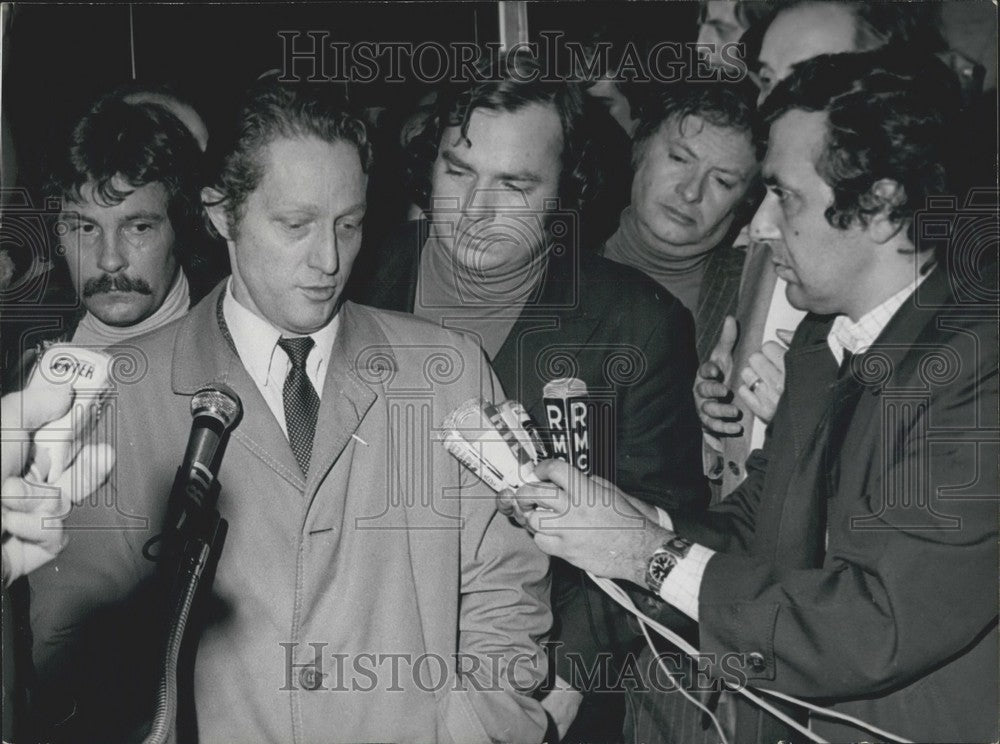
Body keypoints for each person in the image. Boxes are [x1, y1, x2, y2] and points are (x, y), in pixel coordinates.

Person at [28, 78, 551, 744]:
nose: (328, 259)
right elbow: (73, 641)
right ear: (221, 214)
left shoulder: (448, 370)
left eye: (348, 225)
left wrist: (474, 729)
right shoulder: (120, 396)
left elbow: (508, 590)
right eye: (295, 225)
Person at [507, 49, 998, 743]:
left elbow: (874, 626)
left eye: (785, 196)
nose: (759, 225)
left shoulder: (979, 370)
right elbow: (758, 530)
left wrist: (646, 553)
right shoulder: (821, 340)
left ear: (882, 207)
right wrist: (628, 517)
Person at [353, 52, 706, 743]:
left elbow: (669, 528)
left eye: (514, 184)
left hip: (545, 675)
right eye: (458, 172)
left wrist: (570, 675)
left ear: (567, 191)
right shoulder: (356, 276)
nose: (476, 210)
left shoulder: (637, 324)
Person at [695, 0, 947, 498]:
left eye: (807, 78)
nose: (773, 105)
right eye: (768, 80)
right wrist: (718, 411)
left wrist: (812, 429)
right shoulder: (764, 226)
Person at [2, 91, 219, 392]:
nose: (110, 260)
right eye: (86, 228)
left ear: (181, 229)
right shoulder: (16, 347)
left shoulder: (233, 342)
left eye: (139, 228)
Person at [601, 80, 760, 360]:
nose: (690, 192)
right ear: (639, 147)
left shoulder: (758, 295)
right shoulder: (553, 261)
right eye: (679, 158)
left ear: (745, 201)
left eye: (722, 181)